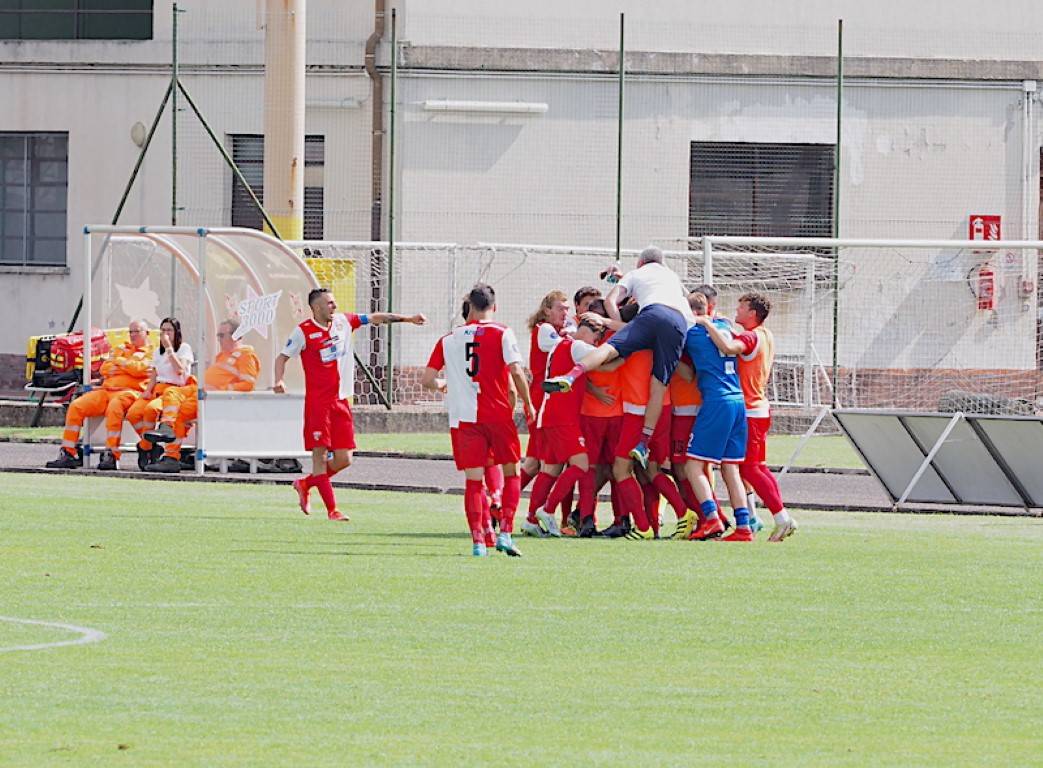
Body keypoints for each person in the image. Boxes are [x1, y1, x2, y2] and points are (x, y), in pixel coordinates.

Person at [274, 288, 426, 522]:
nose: (334, 306)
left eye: (334, 302)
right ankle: (332, 510)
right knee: (320, 457)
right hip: (318, 405)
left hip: (341, 401)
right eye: (330, 303)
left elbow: (375, 317)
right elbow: (282, 357)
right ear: (316, 307)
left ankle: (306, 483)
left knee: (345, 459)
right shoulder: (303, 332)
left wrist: (408, 319)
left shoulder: (344, 322)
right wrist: (279, 380)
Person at [543, 247, 694, 474]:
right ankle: (643, 442)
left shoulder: (637, 274)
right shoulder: (672, 276)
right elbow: (688, 298)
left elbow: (612, 300)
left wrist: (619, 327)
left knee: (609, 349)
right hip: (678, 322)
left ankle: (570, 376)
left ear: (640, 262)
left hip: (650, 316)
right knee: (659, 385)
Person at [421, 283, 534, 557]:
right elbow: (517, 372)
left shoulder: (448, 339)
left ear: (469, 306)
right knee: (512, 472)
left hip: (464, 420)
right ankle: (505, 532)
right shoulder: (502, 332)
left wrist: (442, 385)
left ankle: (478, 543)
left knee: (473, 482)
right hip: (497, 414)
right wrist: (528, 404)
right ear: (494, 307)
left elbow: (426, 380)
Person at [527, 319, 616, 538]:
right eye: (596, 338)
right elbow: (606, 360)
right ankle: (547, 510)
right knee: (582, 464)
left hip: (549, 415)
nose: (596, 343)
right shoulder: (577, 347)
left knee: (550, 470)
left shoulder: (560, 345)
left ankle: (531, 520)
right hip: (563, 418)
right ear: (588, 331)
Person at [684, 292, 758, 542]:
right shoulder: (724, 326)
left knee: (692, 465)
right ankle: (744, 526)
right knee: (730, 466)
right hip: (738, 399)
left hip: (716, 400)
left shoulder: (692, 332)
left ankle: (712, 518)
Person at [143, 319, 261, 473]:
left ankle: (171, 457)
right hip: (201, 392)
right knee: (171, 392)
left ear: (237, 335)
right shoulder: (222, 355)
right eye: (218, 335)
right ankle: (167, 428)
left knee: (179, 411)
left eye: (222, 335)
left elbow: (248, 384)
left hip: (214, 399)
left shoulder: (246, 355)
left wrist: (219, 390)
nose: (219, 339)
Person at [45, 320, 153, 470]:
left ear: (147, 333)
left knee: (115, 408)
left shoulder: (151, 352)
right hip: (106, 390)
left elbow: (139, 369)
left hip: (131, 392)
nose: (133, 335)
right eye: (131, 332)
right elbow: (105, 368)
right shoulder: (121, 348)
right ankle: (69, 453)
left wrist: (119, 363)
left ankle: (111, 455)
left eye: (137, 331)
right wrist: (126, 366)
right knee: (77, 406)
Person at [734, 292, 797, 542]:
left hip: (750, 409)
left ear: (752, 313)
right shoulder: (765, 334)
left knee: (750, 467)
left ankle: (781, 517)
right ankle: (755, 517)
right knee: (749, 467)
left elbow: (730, 345)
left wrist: (706, 322)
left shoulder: (750, 337)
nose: (736, 311)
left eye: (741, 308)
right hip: (758, 408)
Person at [519, 290, 572, 537]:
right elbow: (560, 347)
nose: (566, 312)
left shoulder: (556, 331)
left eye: (567, 308)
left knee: (534, 461)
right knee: (549, 462)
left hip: (547, 401)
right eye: (561, 308)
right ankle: (532, 515)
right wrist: (577, 334)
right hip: (542, 402)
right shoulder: (544, 330)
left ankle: (497, 505)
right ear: (547, 310)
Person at [127, 317, 194, 470]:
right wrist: (147, 390)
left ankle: (145, 447)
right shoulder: (158, 352)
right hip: (157, 388)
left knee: (151, 410)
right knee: (133, 413)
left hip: (175, 389)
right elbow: (155, 374)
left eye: (169, 330)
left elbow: (180, 371)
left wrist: (170, 348)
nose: (165, 333)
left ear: (176, 332)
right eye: (163, 330)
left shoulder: (183, 348)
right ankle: (150, 445)